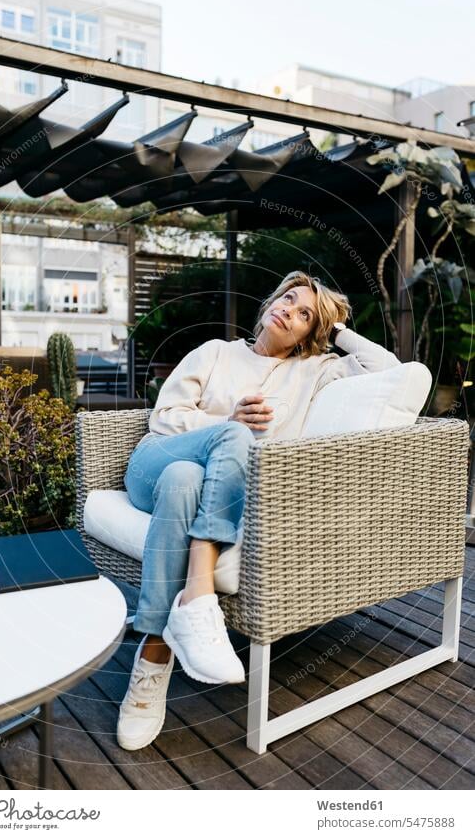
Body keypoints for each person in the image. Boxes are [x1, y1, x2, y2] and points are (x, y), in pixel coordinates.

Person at [116, 271, 400, 750]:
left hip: (188, 488)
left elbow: (389, 366)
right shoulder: (216, 352)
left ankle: (154, 657)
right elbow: (162, 419)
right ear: (271, 301)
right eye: (288, 298)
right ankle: (199, 600)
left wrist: (336, 330)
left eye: (304, 313)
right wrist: (225, 422)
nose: (289, 309)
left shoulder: (317, 371)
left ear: (312, 333)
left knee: (185, 481)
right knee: (230, 438)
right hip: (153, 460)